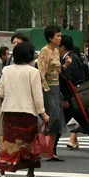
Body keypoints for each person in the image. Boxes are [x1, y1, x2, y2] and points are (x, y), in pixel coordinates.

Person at [0, 42, 50, 177]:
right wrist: (43, 114)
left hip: (9, 111)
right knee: (30, 145)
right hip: (27, 113)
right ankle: (30, 173)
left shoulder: (7, 70)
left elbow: (1, 92)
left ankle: (1, 170)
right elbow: (38, 97)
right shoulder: (33, 72)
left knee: (9, 143)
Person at [59, 35, 89, 159]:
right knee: (87, 123)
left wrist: (65, 98)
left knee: (61, 123)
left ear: (63, 47)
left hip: (72, 98)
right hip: (79, 97)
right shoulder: (76, 57)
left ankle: (50, 149)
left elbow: (66, 81)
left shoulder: (68, 60)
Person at [36, 25, 67, 161]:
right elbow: (41, 73)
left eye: (60, 36)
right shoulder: (44, 51)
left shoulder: (56, 51)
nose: (60, 38)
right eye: (57, 36)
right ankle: (41, 146)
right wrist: (45, 90)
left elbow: (58, 70)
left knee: (58, 120)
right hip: (47, 88)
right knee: (51, 117)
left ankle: (50, 150)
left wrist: (65, 66)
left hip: (57, 87)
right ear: (50, 37)